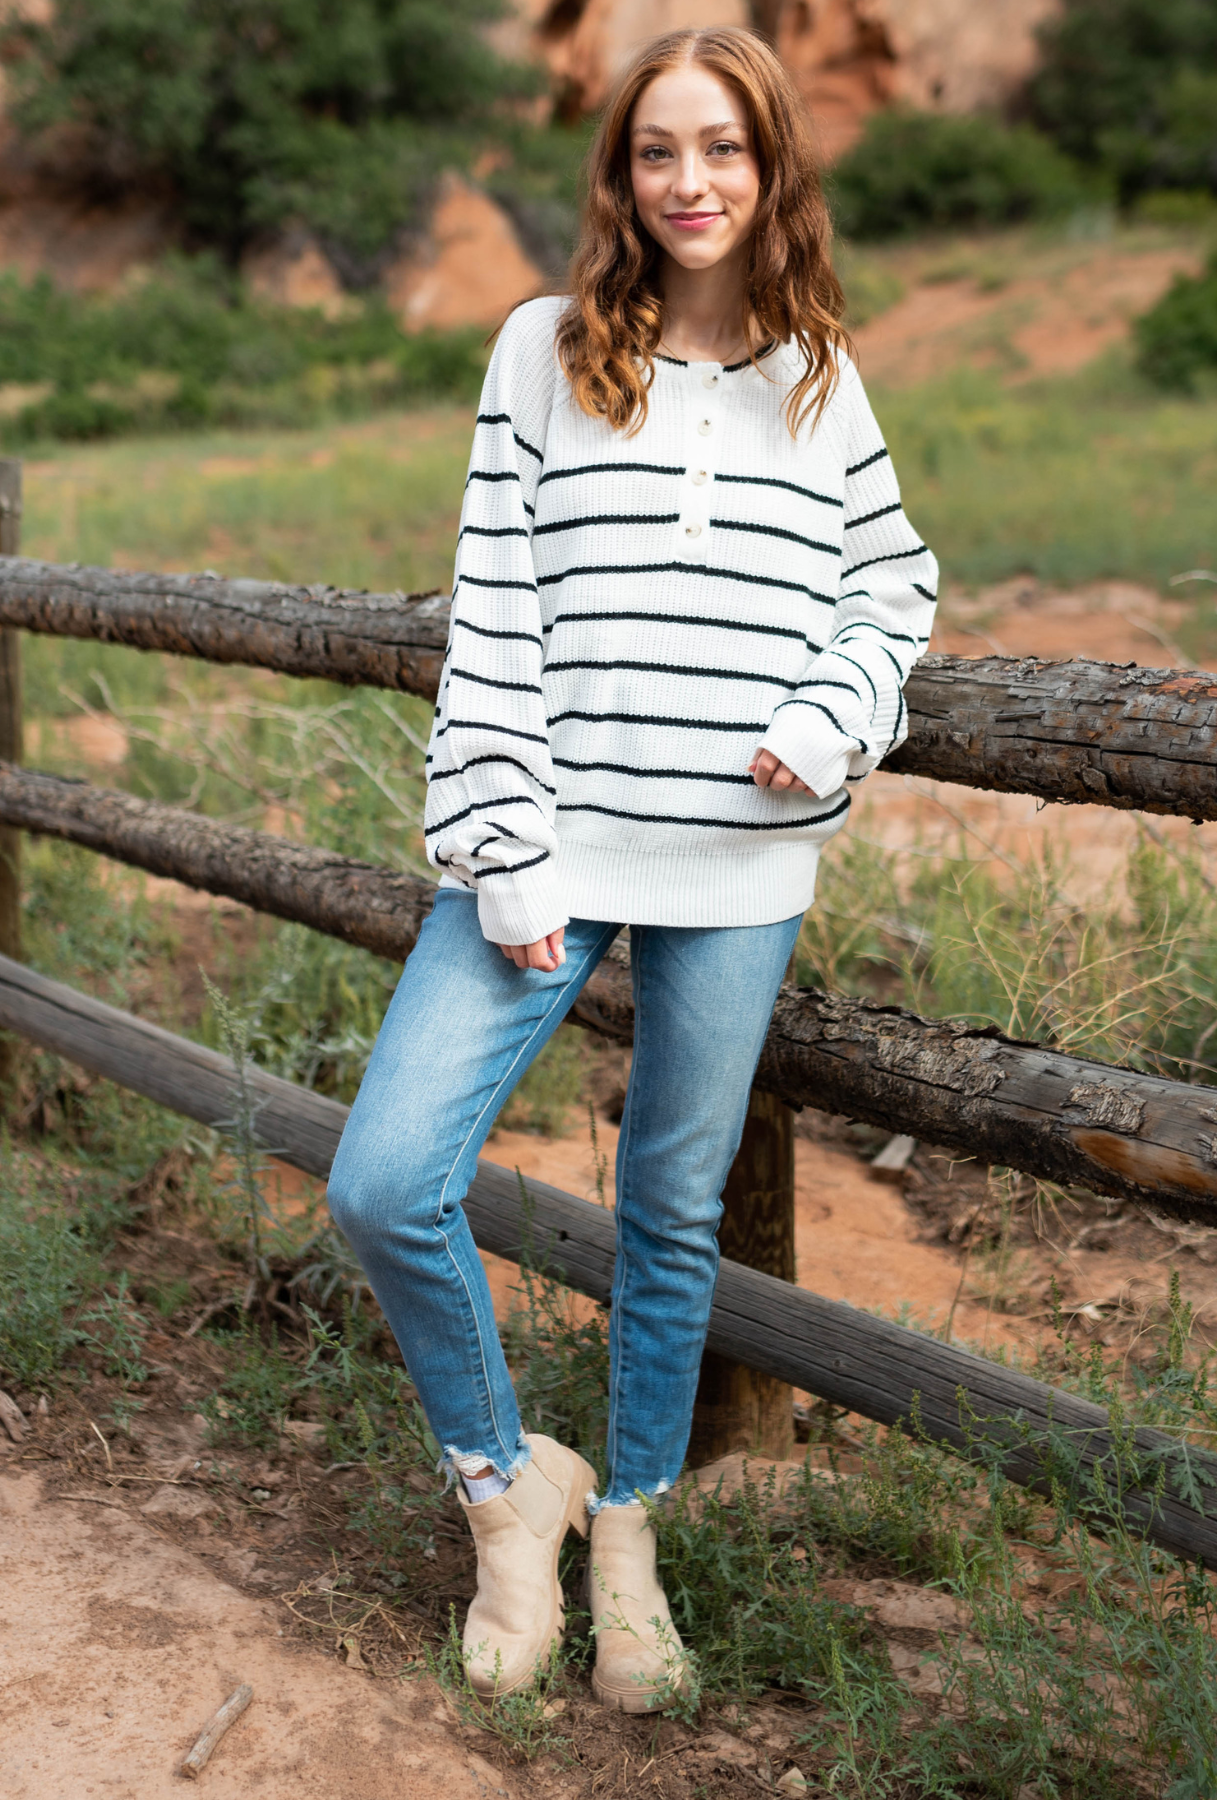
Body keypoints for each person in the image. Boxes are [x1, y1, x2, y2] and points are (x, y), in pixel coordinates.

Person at [327, 23, 937, 1713]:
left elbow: (894, 588)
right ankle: (505, 1486)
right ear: (619, 171)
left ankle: (633, 1533)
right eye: (658, 150)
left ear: (770, 170)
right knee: (385, 1179)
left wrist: (833, 714)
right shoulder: (539, 349)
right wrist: (500, 843)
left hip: (740, 872)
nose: (690, 183)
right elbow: (494, 613)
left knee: (669, 1215)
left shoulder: (821, 372)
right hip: (549, 854)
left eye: (723, 150)